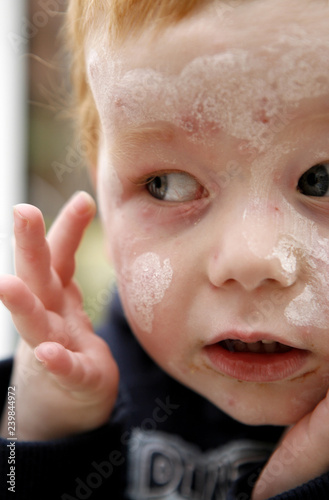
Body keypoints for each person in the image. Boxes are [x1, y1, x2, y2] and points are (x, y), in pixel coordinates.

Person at [1, 0, 329, 498]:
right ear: (103, 197)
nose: (251, 259)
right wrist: (37, 433)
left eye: (320, 181)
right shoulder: (81, 392)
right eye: (168, 184)